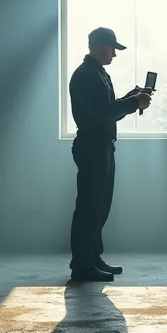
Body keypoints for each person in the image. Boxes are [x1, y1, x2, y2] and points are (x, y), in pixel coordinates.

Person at [67, 27, 152, 282]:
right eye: (113, 49)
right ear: (101, 47)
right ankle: (82, 265)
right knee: (90, 207)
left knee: (99, 206)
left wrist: (130, 98)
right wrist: (134, 103)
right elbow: (102, 112)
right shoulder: (87, 75)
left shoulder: (96, 73)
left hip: (100, 146)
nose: (114, 54)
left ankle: (91, 258)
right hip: (93, 147)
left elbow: (106, 110)